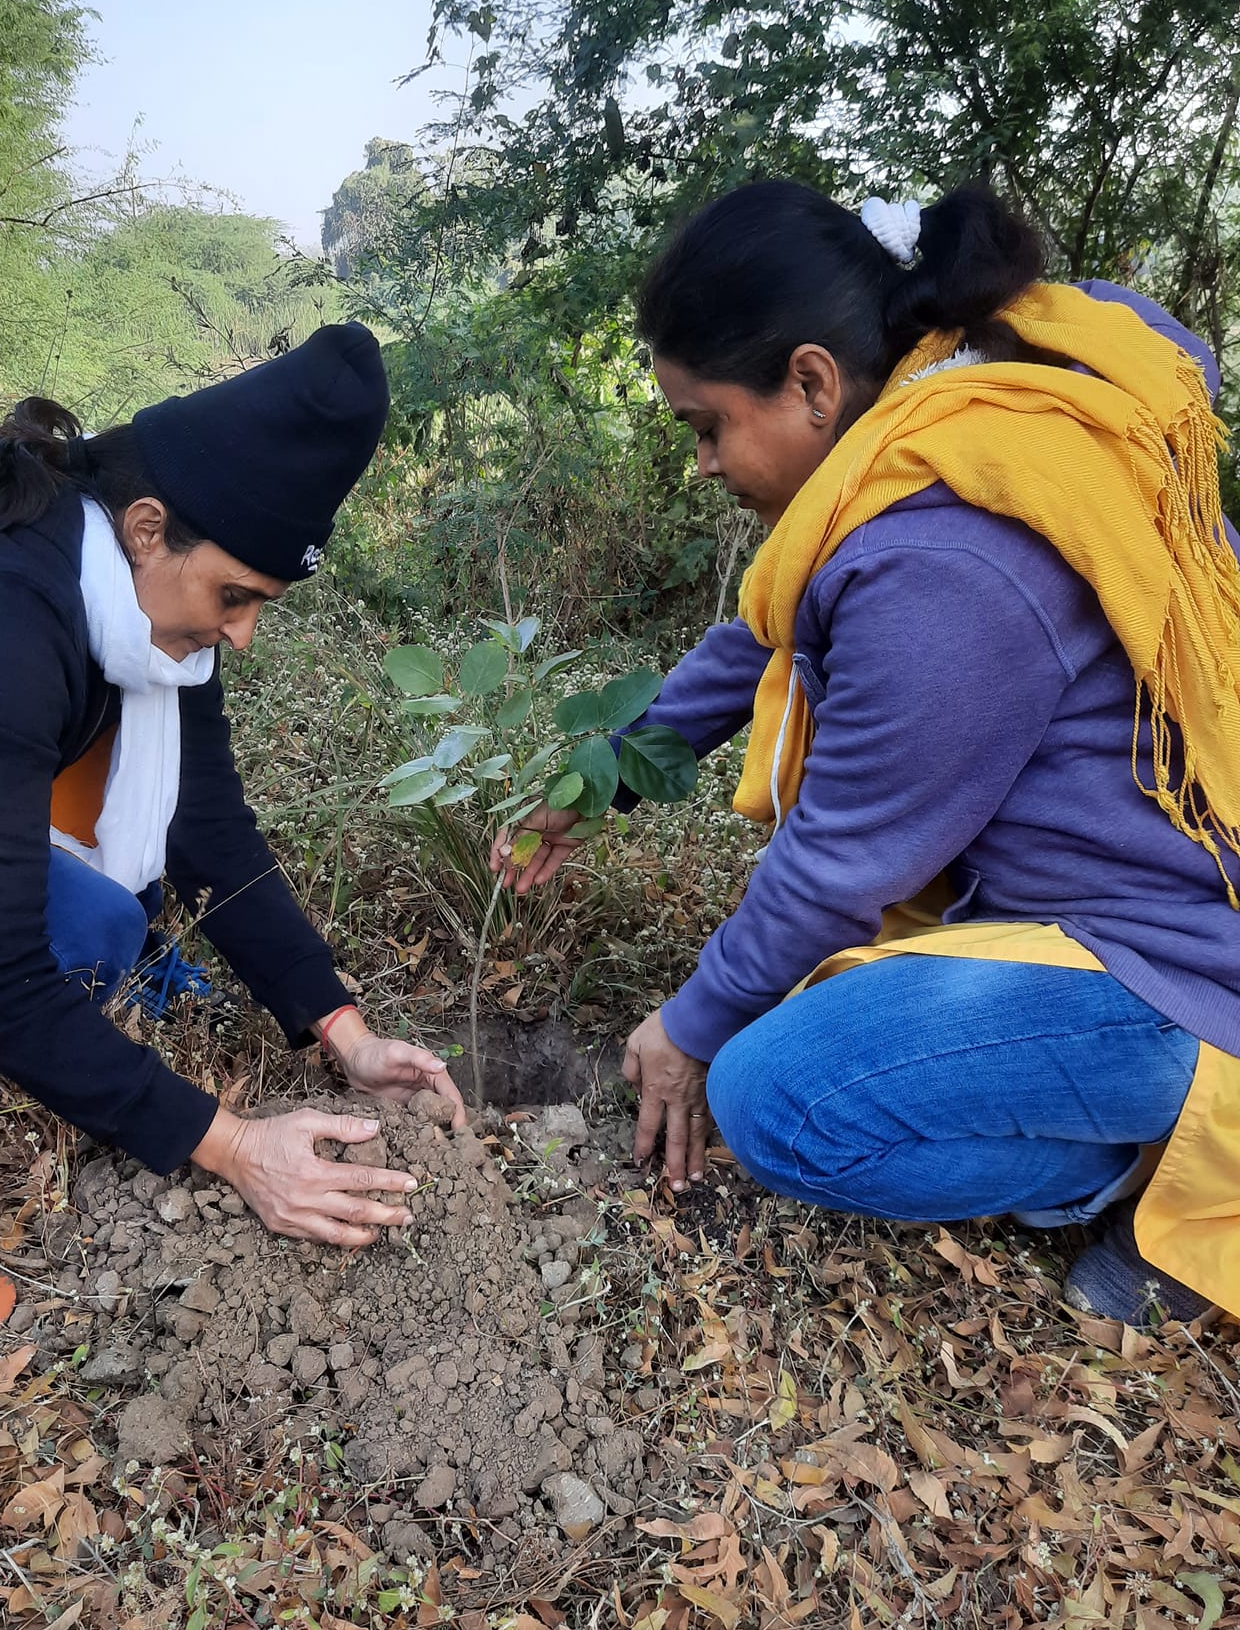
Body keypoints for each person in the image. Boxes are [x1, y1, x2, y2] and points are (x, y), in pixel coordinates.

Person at [495, 182, 1240, 1324]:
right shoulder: (941, 431)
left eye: (706, 427)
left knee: (775, 1100)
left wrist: (689, 1028)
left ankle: (1160, 1155)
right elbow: (763, 635)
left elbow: (840, 864)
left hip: (1171, 964)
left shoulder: (947, 558)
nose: (702, 464)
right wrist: (597, 782)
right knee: (800, 1012)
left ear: (811, 383)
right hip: (1115, 910)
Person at [0, 322, 461, 1247]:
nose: (243, 634)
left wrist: (343, 1030)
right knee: (84, 930)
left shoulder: (133, 584)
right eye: (235, 597)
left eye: (263, 603)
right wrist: (234, 1146)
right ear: (147, 528)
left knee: (124, 894)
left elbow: (201, 823)